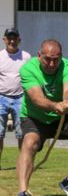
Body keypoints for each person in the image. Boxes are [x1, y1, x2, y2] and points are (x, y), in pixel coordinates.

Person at [15, 39, 68, 196]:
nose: (52, 64)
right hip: (34, 117)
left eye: (56, 59)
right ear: (39, 56)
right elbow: (36, 98)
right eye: (47, 59)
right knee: (29, 142)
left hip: (61, 117)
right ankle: (23, 192)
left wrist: (66, 101)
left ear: (61, 57)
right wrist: (54, 105)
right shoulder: (27, 69)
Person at [0, 28, 31, 169]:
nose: (12, 41)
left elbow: (31, 76)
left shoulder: (26, 57)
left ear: (19, 40)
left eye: (14, 38)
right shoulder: (0, 56)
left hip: (21, 98)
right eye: (9, 38)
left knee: (21, 133)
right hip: (1, 98)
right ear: (4, 39)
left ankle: (22, 164)